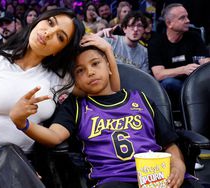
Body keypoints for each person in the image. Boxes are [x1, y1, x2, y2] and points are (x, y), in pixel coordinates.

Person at [0, 8, 120, 187]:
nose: (48, 33)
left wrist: (108, 51)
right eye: (50, 22)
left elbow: (109, 92)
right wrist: (11, 166)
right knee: (7, 156)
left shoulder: (59, 79)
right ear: (38, 21)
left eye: (60, 37)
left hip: (29, 163)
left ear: (60, 50)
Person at [10, 35, 203, 188]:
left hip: (158, 174)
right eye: (80, 71)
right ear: (74, 79)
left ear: (109, 67)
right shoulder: (76, 105)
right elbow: (53, 136)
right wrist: (23, 124)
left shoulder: (140, 99)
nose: (90, 72)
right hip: (113, 180)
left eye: (95, 64)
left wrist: (178, 164)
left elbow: (169, 142)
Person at [148, 3, 210, 109]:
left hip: (195, 83)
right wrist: (184, 69)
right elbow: (159, 74)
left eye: (187, 16)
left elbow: (205, 59)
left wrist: (205, 62)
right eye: (182, 18)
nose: (188, 20)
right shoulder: (156, 42)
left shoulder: (194, 37)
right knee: (168, 83)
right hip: (175, 87)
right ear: (169, 23)